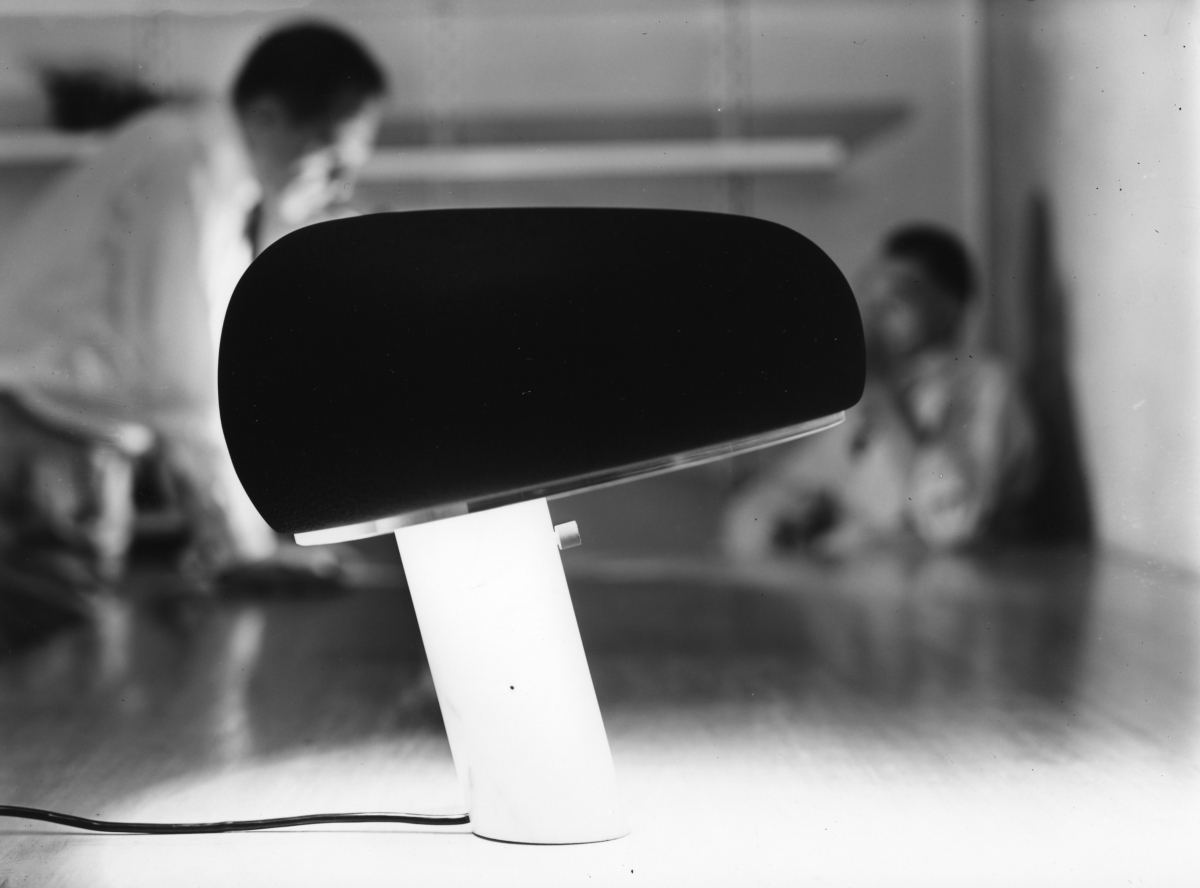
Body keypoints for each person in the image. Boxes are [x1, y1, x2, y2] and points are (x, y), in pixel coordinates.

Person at [0, 22, 387, 604]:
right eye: (330, 157)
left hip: (63, 439)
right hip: (44, 443)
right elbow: (184, 379)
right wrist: (244, 546)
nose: (339, 184)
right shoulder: (186, 163)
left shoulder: (208, 169)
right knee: (55, 638)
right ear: (267, 117)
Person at [722, 224, 1037, 559]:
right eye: (870, 297)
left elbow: (953, 521)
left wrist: (884, 396)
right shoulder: (875, 390)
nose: (874, 313)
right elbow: (776, 493)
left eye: (896, 298)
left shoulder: (984, 384)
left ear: (950, 306)